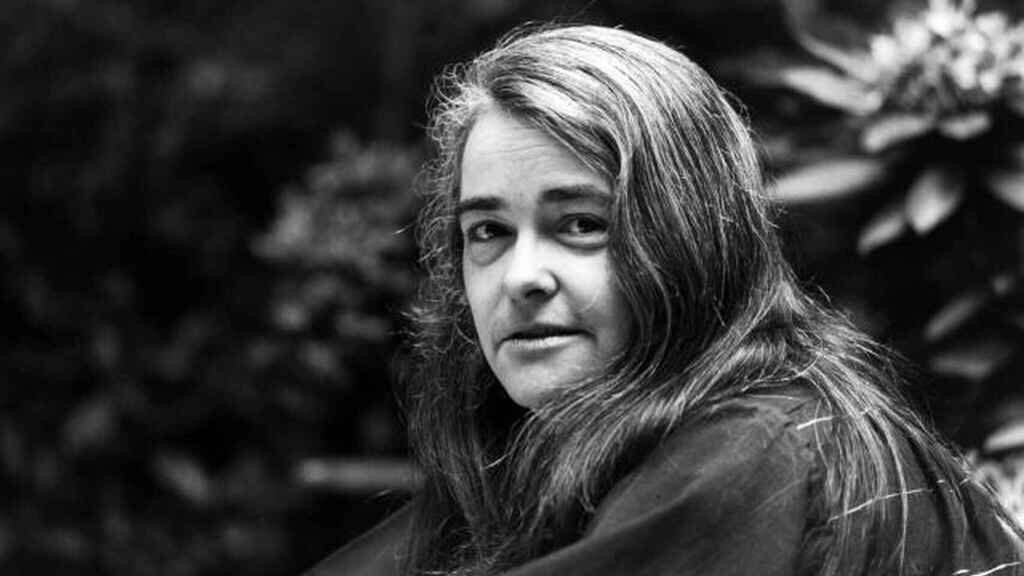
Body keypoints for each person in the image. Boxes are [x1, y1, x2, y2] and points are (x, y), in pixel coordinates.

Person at [305, 24, 1024, 576]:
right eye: (488, 231)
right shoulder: (527, 448)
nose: (522, 276)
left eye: (581, 224)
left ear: (688, 235)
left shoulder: (755, 451)